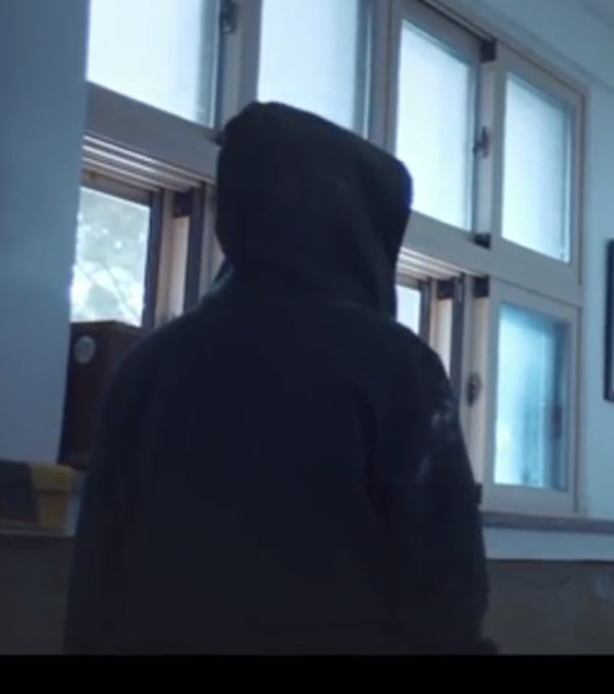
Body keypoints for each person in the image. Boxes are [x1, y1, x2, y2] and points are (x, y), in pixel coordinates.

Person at [64, 101, 493, 654]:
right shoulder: (395, 367)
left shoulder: (149, 365)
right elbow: (446, 579)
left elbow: (98, 573)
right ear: (358, 229)